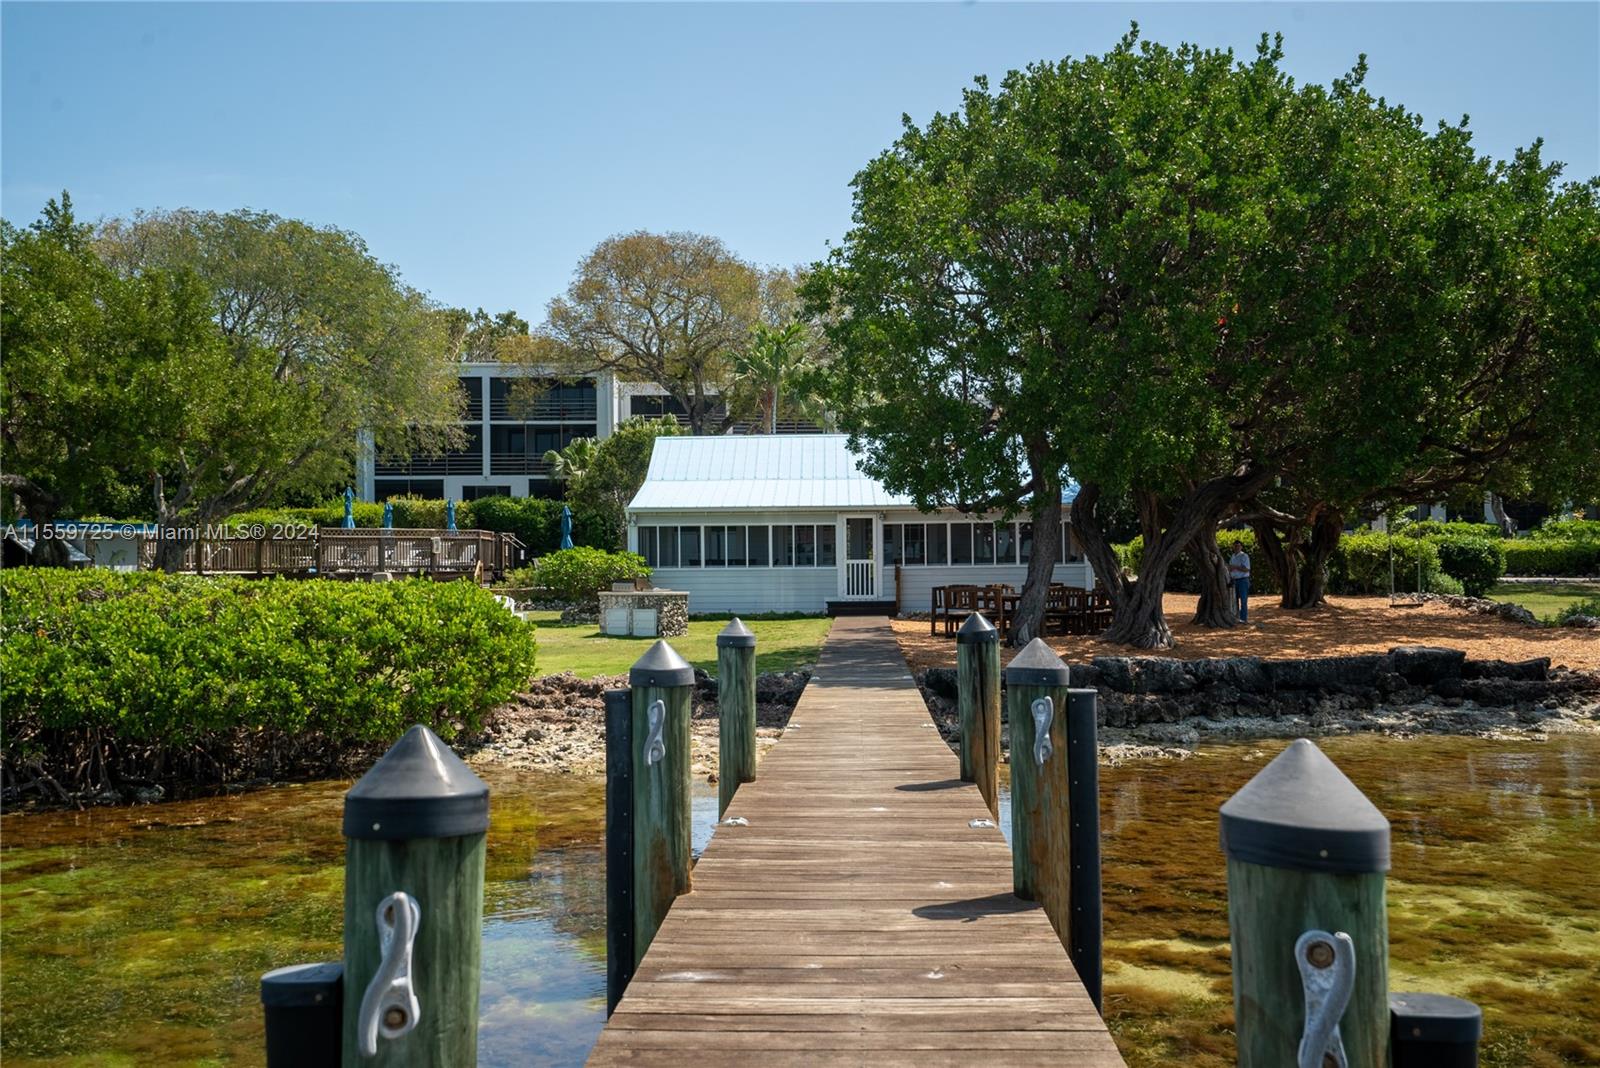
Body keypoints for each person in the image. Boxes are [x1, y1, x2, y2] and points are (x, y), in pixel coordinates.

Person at [1227, 540, 1252, 623]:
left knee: (1243, 600)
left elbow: (1247, 569)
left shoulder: (1244, 556)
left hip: (1243, 580)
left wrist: (1235, 567)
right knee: (1235, 600)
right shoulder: (1232, 556)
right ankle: (1236, 618)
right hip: (1234, 580)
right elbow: (1230, 568)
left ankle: (1244, 619)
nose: (1236, 547)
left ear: (1241, 547)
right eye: (1235, 546)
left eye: (1238, 546)